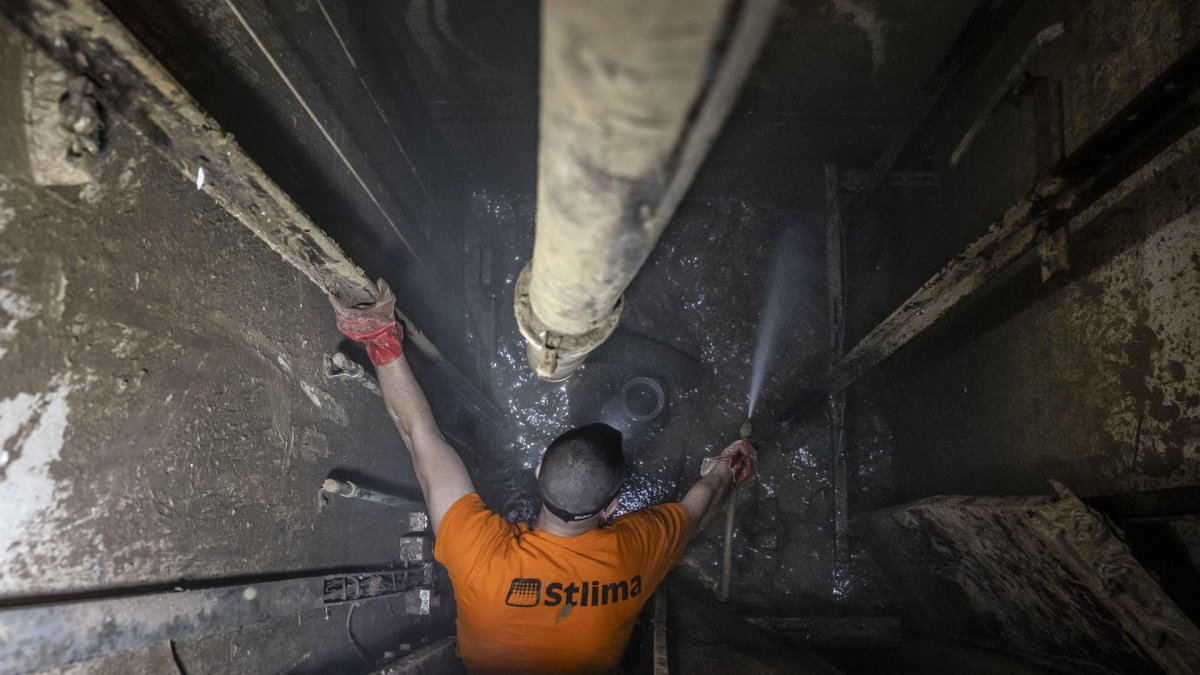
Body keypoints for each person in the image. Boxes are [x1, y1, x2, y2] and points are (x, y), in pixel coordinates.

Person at [330, 280, 757, 674]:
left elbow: (419, 436)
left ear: (538, 474)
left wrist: (381, 339)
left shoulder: (481, 556)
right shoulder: (636, 551)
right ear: (612, 507)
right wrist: (728, 466)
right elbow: (699, 507)